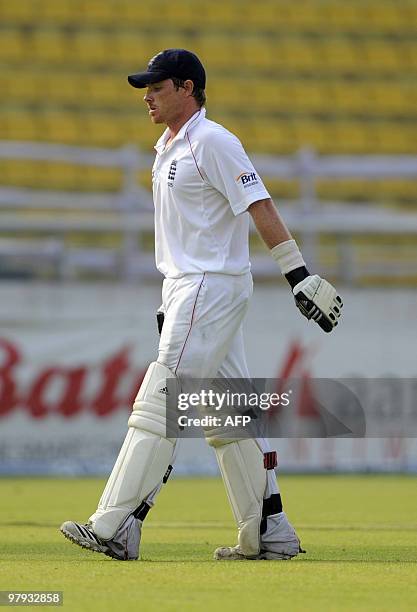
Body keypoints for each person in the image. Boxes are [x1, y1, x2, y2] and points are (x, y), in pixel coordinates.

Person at [60, 49, 342, 561]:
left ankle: (116, 524)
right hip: (193, 289)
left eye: (157, 86)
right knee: (228, 415)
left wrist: (297, 273)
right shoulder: (167, 146)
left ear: (187, 88)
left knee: (161, 398)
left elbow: (258, 203)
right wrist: (172, 297)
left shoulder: (213, 141)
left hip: (209, 286)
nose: (147, 96)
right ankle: (269, 533)